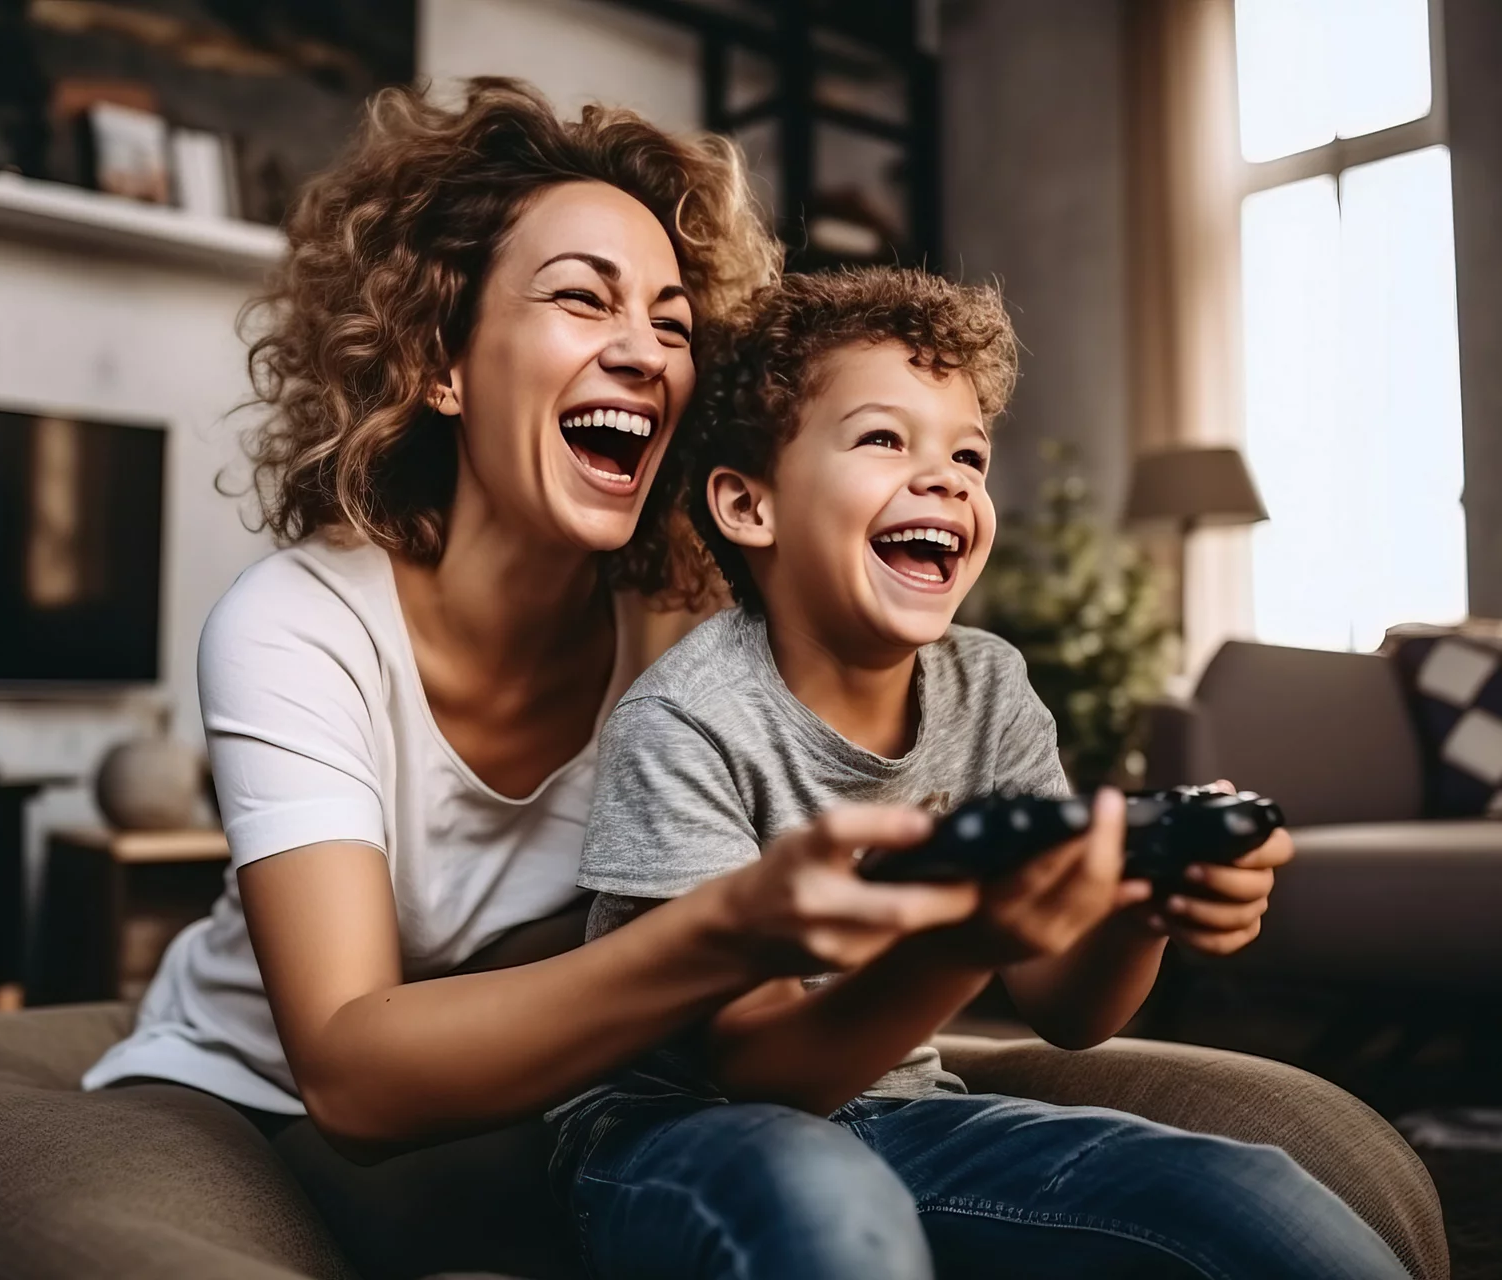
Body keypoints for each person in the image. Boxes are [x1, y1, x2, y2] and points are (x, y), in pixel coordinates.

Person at [82, 81, 984, 1273]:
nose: (643, 351)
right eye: (582, 299)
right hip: (253, 1091)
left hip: (549, 1100)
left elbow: (779, 1020)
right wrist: (726, 930)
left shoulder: (693, 636)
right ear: (440, 360)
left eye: (673, 323)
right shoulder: (295, 624)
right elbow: (350, 1070)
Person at [550, 267, 1408, 1280]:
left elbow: (1070, 1008)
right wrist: (961, 942)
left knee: (1251, 1199)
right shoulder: (685, 719)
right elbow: (755, 1066)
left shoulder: (990, 685)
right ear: (749, 504)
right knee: (829, 1204)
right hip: (674, 1137)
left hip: (909, 1113)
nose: (949, 477)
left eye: (968, 452)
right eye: (883, 438)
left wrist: (1141, 898)